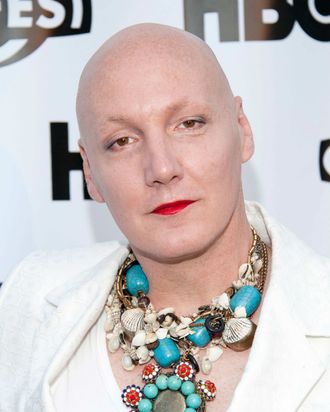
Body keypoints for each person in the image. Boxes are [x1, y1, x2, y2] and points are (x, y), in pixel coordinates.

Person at [0, 23, 329, 412]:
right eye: (122, 141)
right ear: (90, 173)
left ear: (242, 129)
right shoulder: (29, 300)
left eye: (189, 124)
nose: (161, 167)